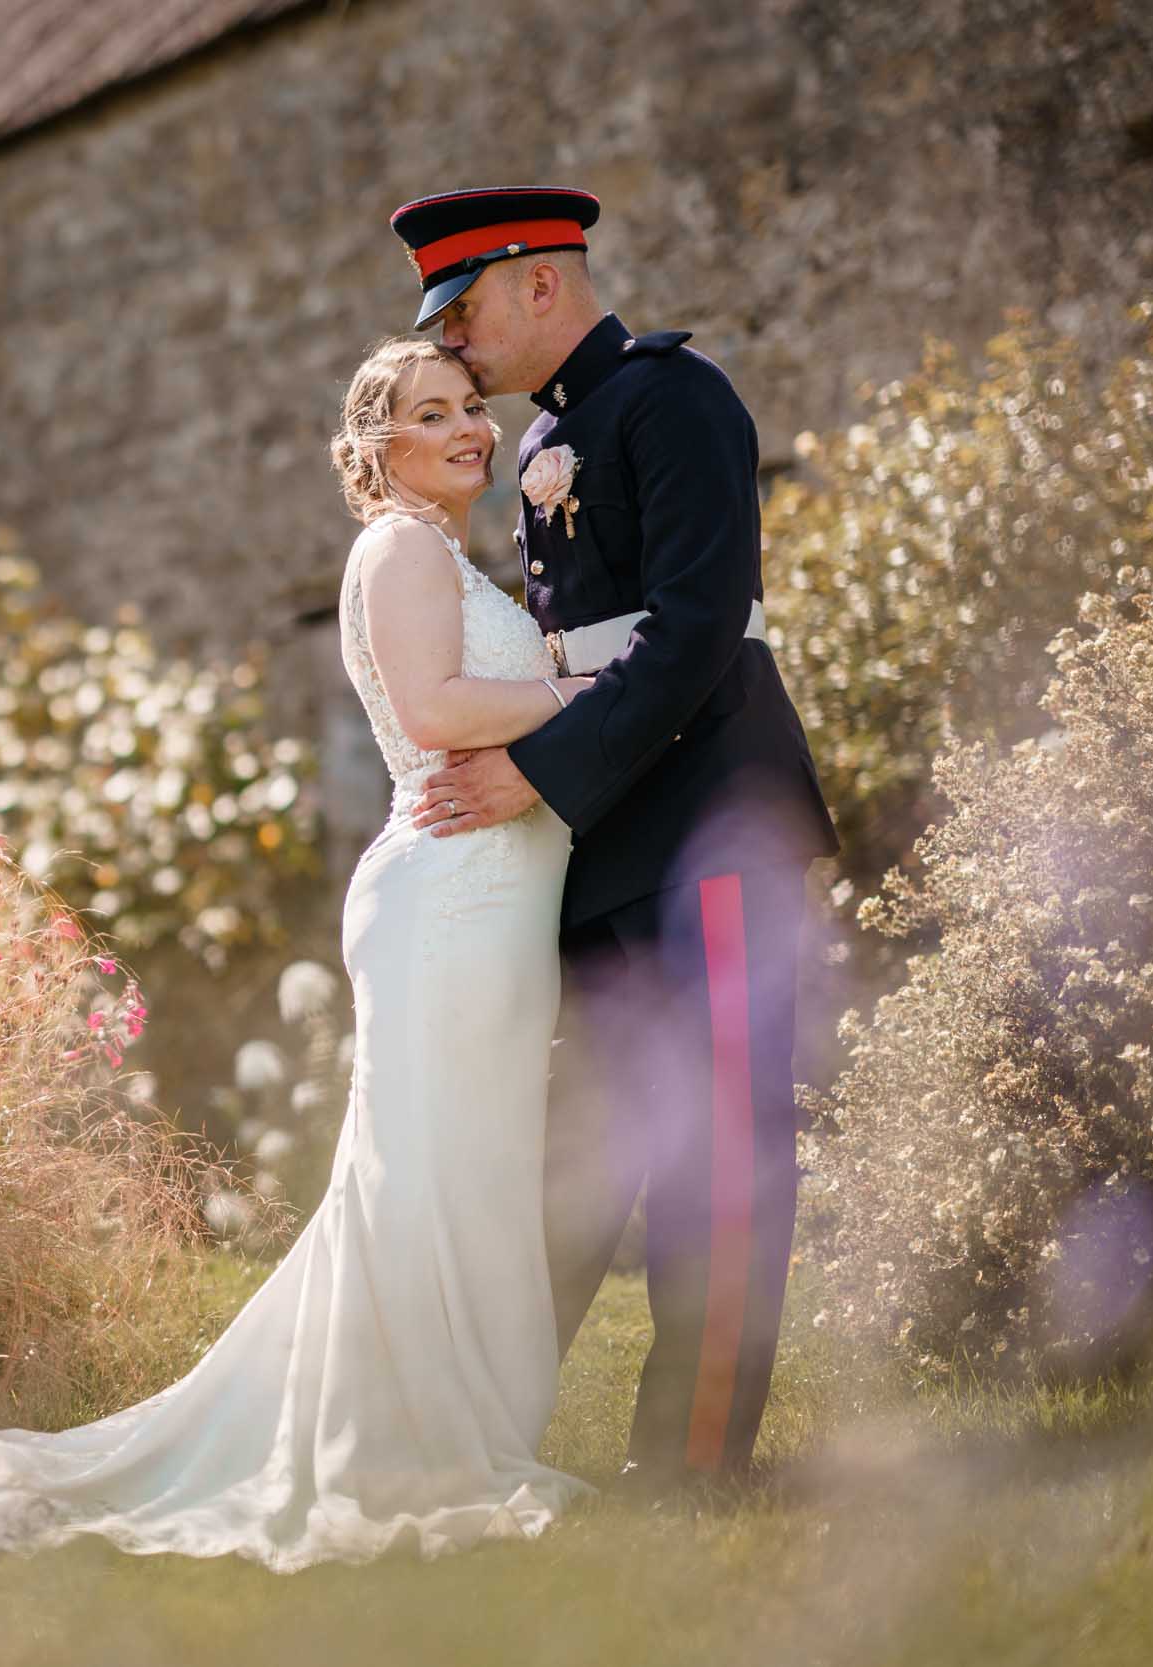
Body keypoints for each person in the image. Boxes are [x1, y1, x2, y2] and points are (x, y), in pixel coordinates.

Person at [0, 328, 600, 1571]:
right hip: (449, 901)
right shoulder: (399, 545)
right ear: (376, 448)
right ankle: (413, 1447)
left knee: (459, 1170)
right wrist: (601, 685)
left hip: (488, 904)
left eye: (472, 408)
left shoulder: (443, 556)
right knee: (431, 1176)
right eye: (436, 412)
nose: (472, 429)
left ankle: (425, 1426)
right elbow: (438, 713)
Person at [396, 185, 839, 1485]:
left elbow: (695, 631)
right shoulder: (563, 427)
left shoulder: (674, 395)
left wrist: (537, 769)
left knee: (721, 1147)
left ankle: (691, 1464)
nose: (455, 341)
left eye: (464, 307)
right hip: (606, 835)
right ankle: (485, 1442)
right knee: (581, 1142)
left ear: (542, 279)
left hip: (708, 822)